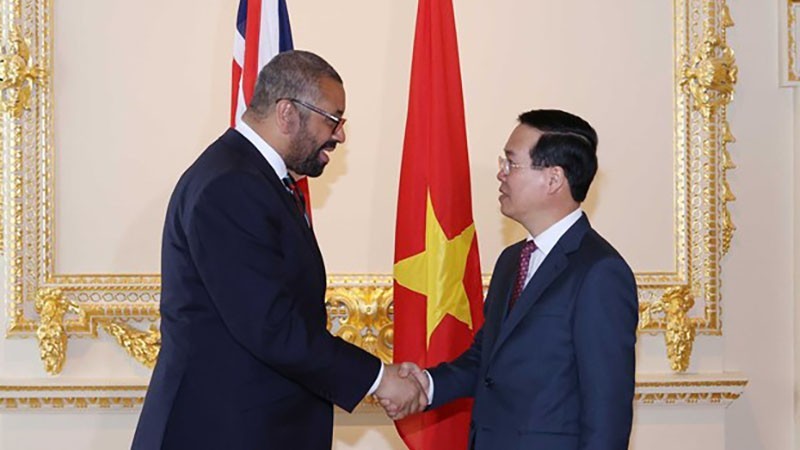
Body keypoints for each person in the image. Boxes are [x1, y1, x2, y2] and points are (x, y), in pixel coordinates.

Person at [132, 50, 425, 450]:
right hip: (221, 431)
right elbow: (271, 327)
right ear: (287, 112)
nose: (339, 135)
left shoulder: (252, 177)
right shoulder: (232, 185)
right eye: (332, 119)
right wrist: (379, 377)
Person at [396, 109, 639, 449]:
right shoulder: (512, 261)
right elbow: (486, 359)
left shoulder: (600, 272)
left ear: (553, 179)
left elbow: (607, 413)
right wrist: (426, 384)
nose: (501, 174)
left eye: (511, 163)